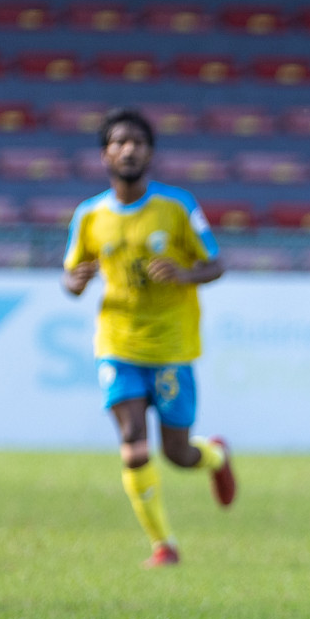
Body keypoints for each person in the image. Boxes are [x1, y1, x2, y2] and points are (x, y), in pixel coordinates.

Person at [63, 107, 236, 569]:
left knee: (177, 453)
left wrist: (185, 274)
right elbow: (70, 278)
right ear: (105, 154)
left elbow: (215, 264)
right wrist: (76, 282)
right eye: (118, 142)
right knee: (133, 442)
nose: (128, 149)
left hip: (171, 346)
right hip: (117, 344)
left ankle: (215, 455)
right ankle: (164, 545)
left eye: (137, 142)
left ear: (150, 152)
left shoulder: (177, 207)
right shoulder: (89, 215)